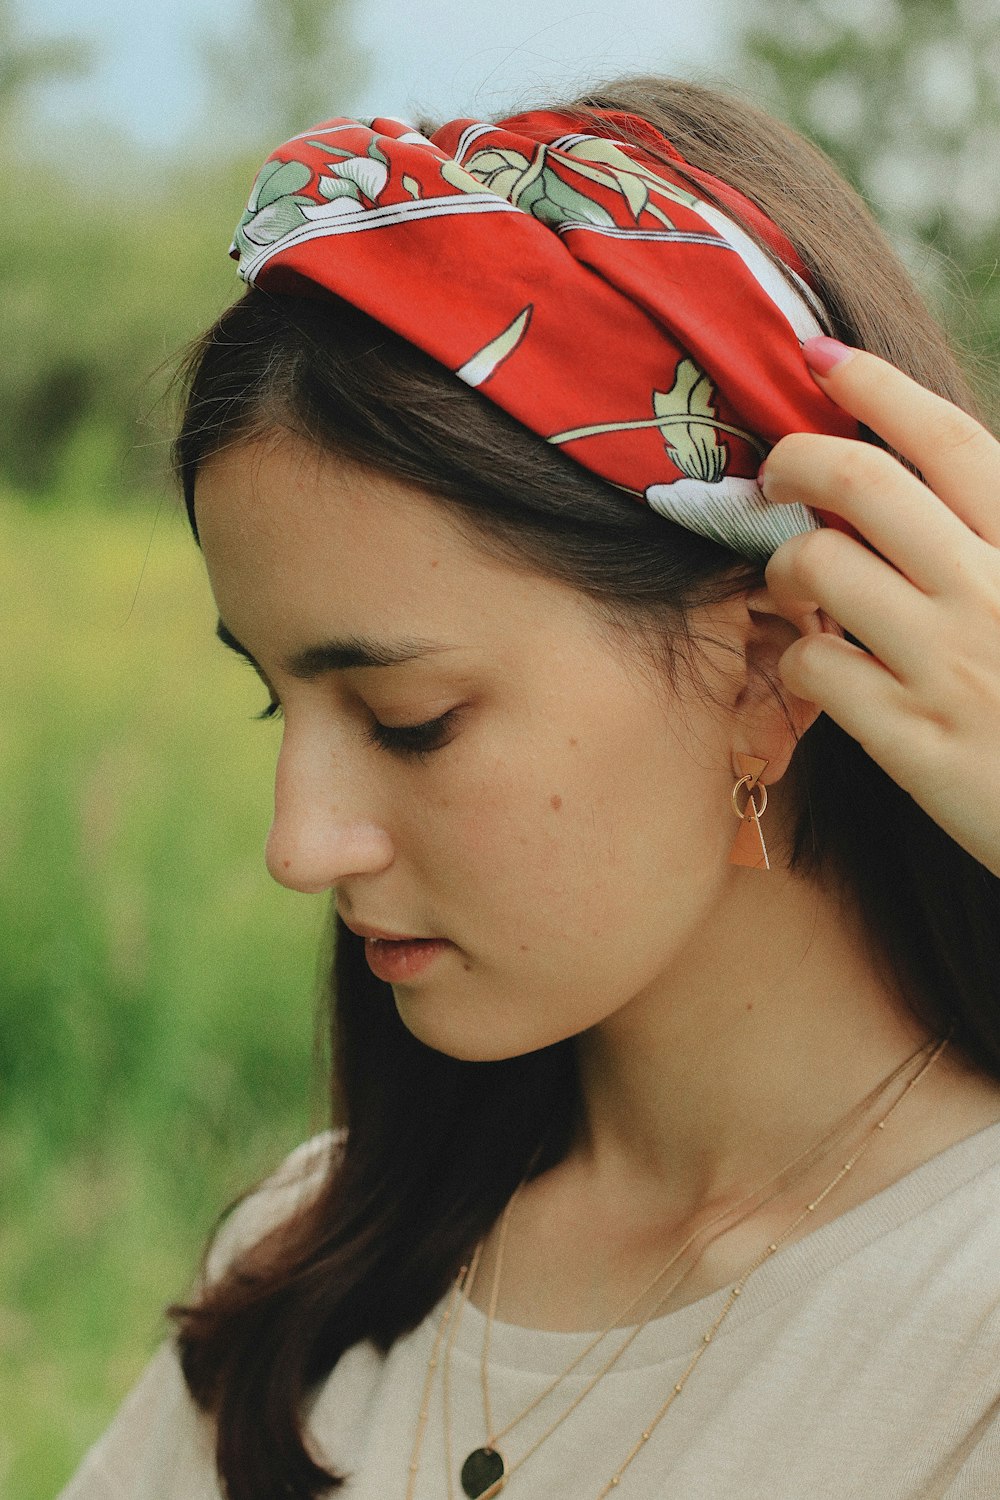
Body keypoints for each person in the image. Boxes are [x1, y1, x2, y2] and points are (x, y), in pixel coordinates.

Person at [60, 74, 1000, 1500]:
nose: (298, 843)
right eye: (277, 699)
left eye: (409, 719)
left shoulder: (965, 1316)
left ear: (763, 671)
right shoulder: (306, 1267)